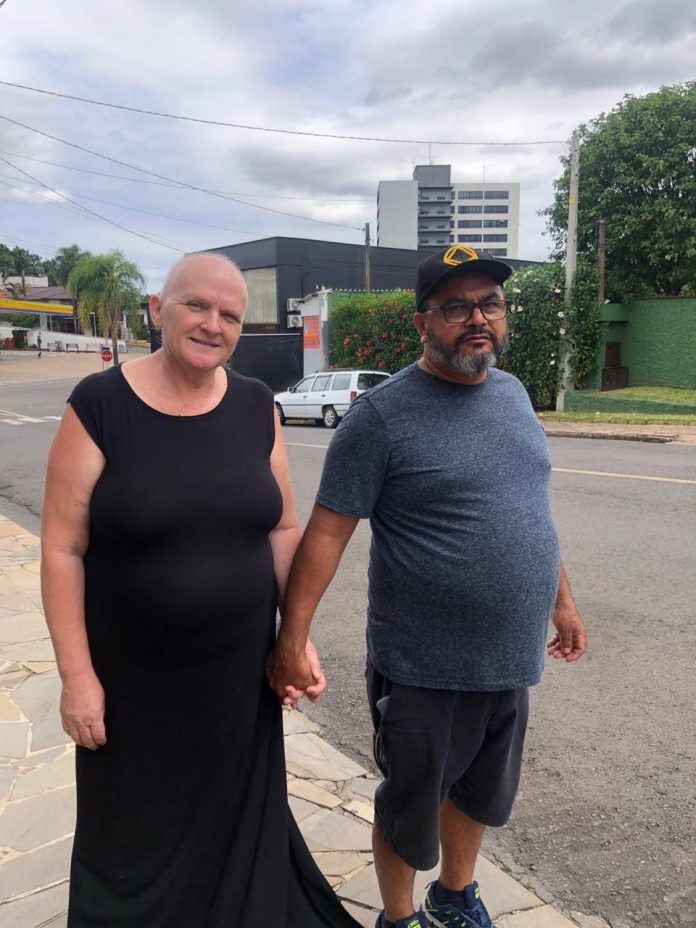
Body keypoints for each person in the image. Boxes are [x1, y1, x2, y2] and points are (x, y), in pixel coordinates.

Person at [267, 245, 587, 928]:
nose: (478, 318)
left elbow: (531, 509)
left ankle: (453, 897)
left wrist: (561, 601)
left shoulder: (513, 394)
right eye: (456, 307)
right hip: (423, 667)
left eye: (490, 304)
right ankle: (398, 915)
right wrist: (291, 639)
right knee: (410, 807)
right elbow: (325, 536)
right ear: (422, 323)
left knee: (479, 796)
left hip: (508, 659)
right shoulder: (380, 418)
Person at [41, 252, 361, 928]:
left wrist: (295, 637)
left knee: (234, 828)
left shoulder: (254, 405)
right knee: (133, 842)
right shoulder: (98, 405)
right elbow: (63, 549)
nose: (213, 324)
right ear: (160, 310)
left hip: (237, 682)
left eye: (230, 315)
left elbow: (281, 526)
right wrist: (76, 676)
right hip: (132, 687)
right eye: (197, 305)